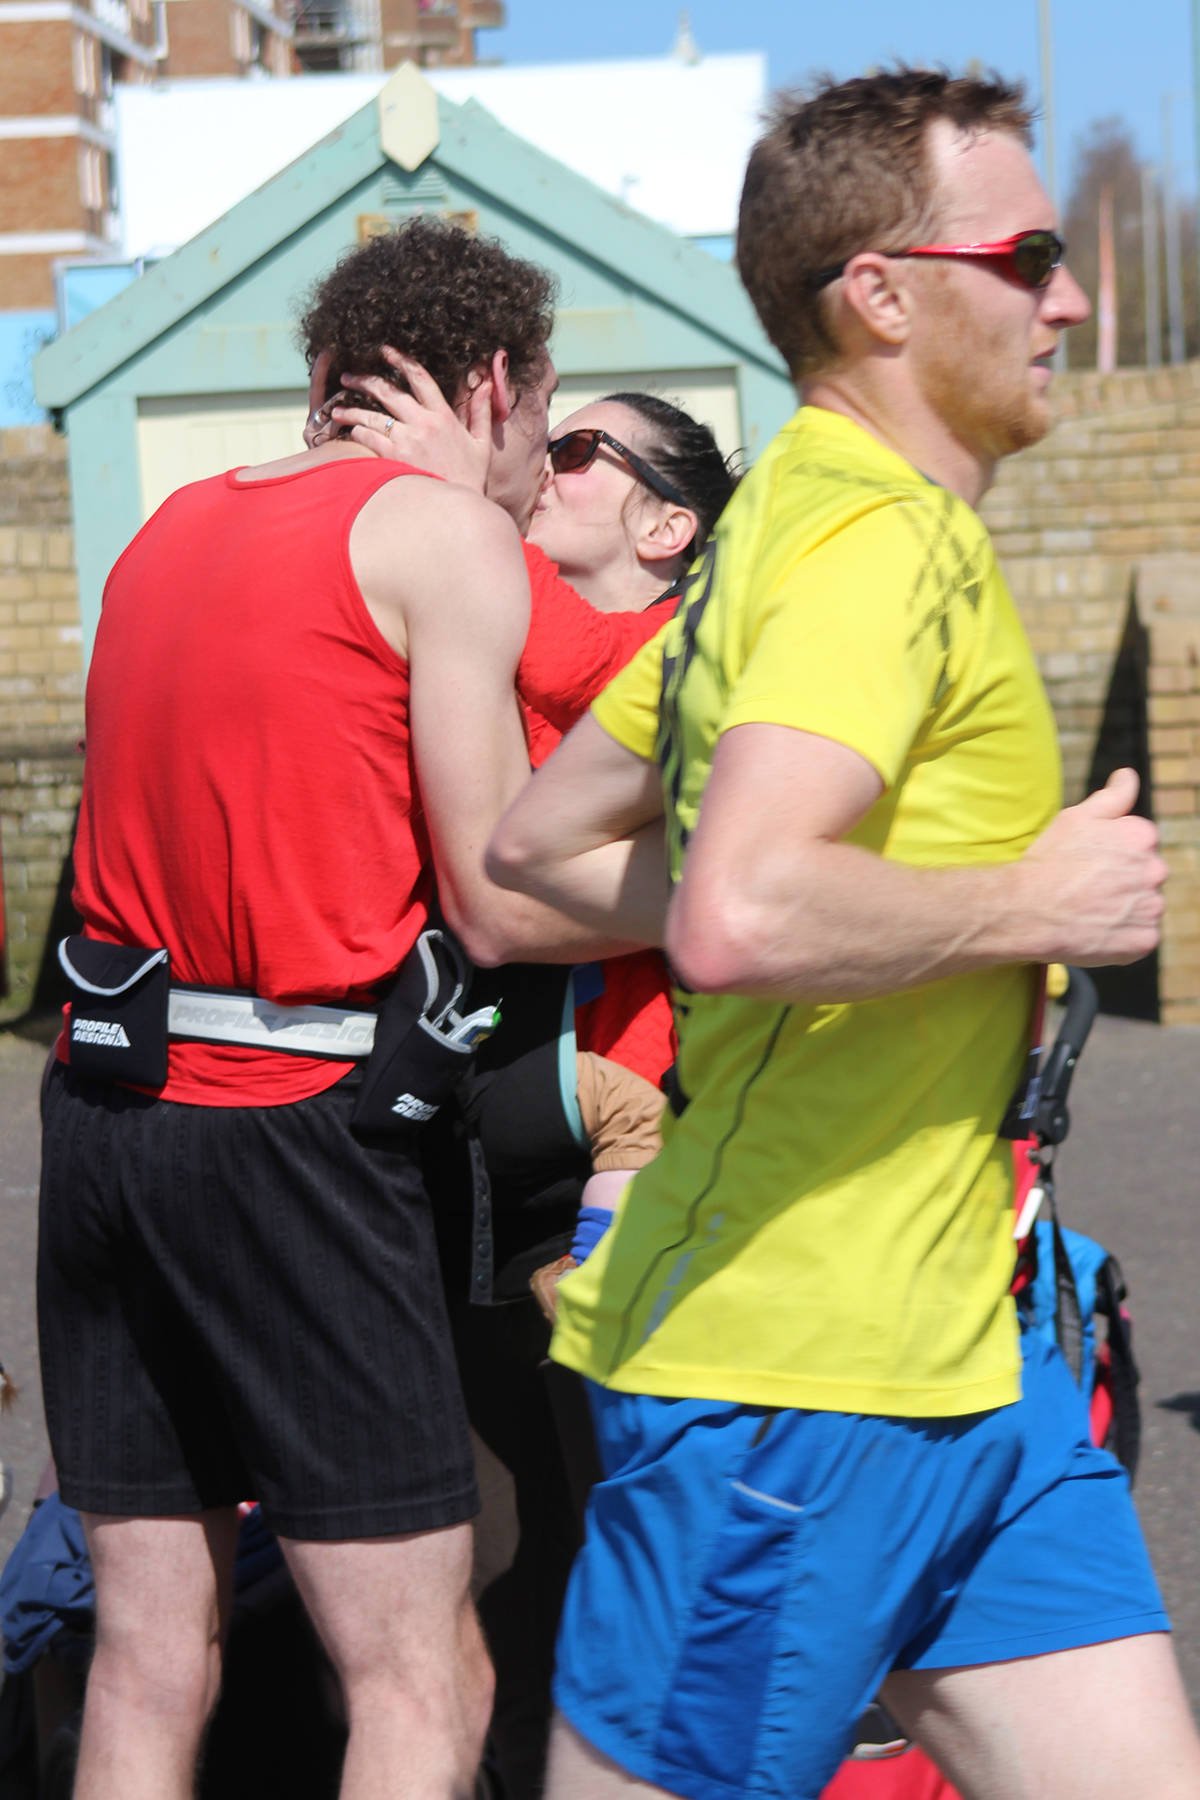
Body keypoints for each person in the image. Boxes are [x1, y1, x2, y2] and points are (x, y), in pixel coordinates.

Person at [486, 69, 1200, 1800]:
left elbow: (530, 856)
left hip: (980, 1355)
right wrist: (1035, 905)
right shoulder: (866, 550)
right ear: (881, 293)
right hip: (796, 1389)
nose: (1072, 296)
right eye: (1028, 253)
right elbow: (736, 910)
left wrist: (827, 900)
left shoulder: (795, 532)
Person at [36, 217, 663, 1800]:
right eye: (551, 426)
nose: (542, 469)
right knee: (418, 1672)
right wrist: (721, 901)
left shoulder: (166, 526)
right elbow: (499, 896)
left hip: (105, 1127)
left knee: (148, 1657)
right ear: (497, 385)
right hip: (288, 1141)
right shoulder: (434, 540)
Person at [314, 364, 738, 1796]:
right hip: (467, 1161)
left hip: (633, 1160)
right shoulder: (501, 633)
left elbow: (613, 690)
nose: (536, 466)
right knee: (496, 1542)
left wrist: (459, 511)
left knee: (628, 1523)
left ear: (668, 528)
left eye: (573, 449)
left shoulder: (700, 646)